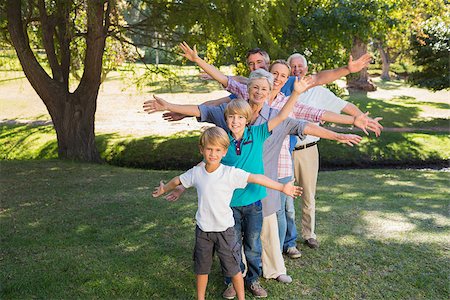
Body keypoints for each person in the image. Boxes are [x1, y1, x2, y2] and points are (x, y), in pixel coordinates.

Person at [144, 43, 363, 298]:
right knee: (231, 244)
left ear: (272, 90)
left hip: (256, 193)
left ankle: (255, 277)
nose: (260, 91)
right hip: (227, 198)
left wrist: (342, 131)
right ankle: (231, 280)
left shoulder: (266, 123)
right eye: (255, 86)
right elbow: (203, 108)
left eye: (266, 87)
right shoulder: (232, 112)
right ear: (247, 90)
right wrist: (170, 104)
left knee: (255, 242)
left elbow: (308, 121)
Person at [152, 126, 302, 300]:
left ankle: (241, 297)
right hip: (203, 231)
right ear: (202, 150)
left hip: (225, 231)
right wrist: (164, 189)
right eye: (209, 149)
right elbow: (178, 180)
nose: (213, 153)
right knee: (202, 268)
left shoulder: (229, 173)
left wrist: (282, 187)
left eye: (217, 150)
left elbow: (256, 178)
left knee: (234, 269)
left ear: (224, 152)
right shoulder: (196, 173)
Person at [282, 53, 382, 251]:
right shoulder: (282, 89)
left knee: (308, 195)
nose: (296, 70)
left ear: (306, 69)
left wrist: (363, 118)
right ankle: (288, 240)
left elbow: (345, 106)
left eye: (300, 66)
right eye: (292, 66)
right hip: (284, 150)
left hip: (308, 149)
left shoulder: (319, 91)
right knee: (285, 198)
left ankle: (309, 234)